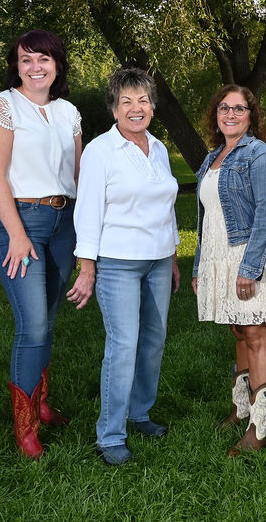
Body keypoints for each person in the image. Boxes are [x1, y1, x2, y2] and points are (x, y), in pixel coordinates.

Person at [67, 68, 180, 466]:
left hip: (158, 261)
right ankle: (110, 434)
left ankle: (140, 413)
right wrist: (87, 266)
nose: (136, 108)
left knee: (154, 341)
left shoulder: (160, 148)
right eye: (127, 101)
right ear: (114, 108)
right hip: (117, 263)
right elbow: (88, 211)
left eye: (143, 100)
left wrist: (172, 256)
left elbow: (167, 209)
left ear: (152, 106)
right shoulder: (101, 151)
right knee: (124, 344)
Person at [0, 29, 82, 460]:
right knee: (32, 324)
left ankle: (40, 402)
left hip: (63, 223)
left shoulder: (68, 111)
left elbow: (79, 176)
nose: (35, 67)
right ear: (16, 66)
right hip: (20, 222)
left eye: (44, 59)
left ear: (57, 65)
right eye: (26, 59)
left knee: (50, 320)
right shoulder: (2, 106)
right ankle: (25, 429)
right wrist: (18, 234)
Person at [192, 85, 266, 456]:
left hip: (250, 254)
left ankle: (259, 427)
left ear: (252, 116)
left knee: (255, 332)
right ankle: (240, 408)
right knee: (239, 330)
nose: (230, 114)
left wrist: (250, 268)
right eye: (224, 108)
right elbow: (207, 219)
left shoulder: (258, 153)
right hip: (219, 253)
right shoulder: (213, 156)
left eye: (239, 109)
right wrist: (200, 265)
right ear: (215, 114)